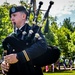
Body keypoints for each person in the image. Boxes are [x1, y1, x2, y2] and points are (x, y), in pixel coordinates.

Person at [1, 5, 47, 75]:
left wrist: (19, 57)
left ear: (23, 16)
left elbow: (42, 45)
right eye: (11, 16)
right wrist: (4, 63)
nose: (12, 19)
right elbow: (6, 54)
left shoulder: (34, 30)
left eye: (14, 15)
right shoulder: (10, 36)